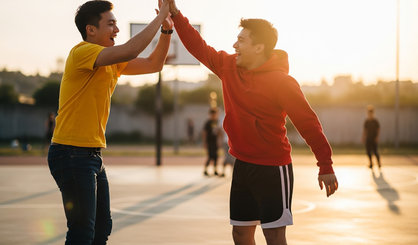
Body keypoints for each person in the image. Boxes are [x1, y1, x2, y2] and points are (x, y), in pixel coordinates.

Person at [167, 2, 338, 244]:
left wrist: (325, 164)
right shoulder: (228, 67)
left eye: (241, 40)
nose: (235, 45)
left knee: (274, 235)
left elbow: (309, 124)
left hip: (273, 167)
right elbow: (199, 47)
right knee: (240, 233)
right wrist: (175, 14)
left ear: (259, 47)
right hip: (243, 165)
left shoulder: (282, 82)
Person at [47, 0, 174, 244]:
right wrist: (159, 18)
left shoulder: (111, 62)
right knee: (82, 232)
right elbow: (130, 50)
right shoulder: (82, 52)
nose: (117, 30)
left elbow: (153, 64)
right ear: (91, 30)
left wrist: (166, 30)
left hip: (91, 155)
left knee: (101, 229)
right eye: (111, 24)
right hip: (71, 154)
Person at [202, 108, 221, 176]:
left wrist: (219, 140)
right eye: (213, 114)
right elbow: (204, 132)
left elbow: (218, 132)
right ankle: (205, 170)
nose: (214, 116)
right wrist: (205, 142)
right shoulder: (208, 122)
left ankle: (215, 170)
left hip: (215, 141)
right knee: (210, 156)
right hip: (209, 141)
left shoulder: (217, 122)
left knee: (216, 156)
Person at [363, 105, 381, 169]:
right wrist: (364, 137)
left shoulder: (375, 121)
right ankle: (371, 163)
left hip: (374, 138)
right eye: (368, 113)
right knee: (368, 152)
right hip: (368, 138)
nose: (370, 114)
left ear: (372, 113)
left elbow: (378, 129)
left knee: (375, 152)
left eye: (371, 113)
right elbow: (365, 130)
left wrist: (377, 137)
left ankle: (379, 163)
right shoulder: (367, 121)